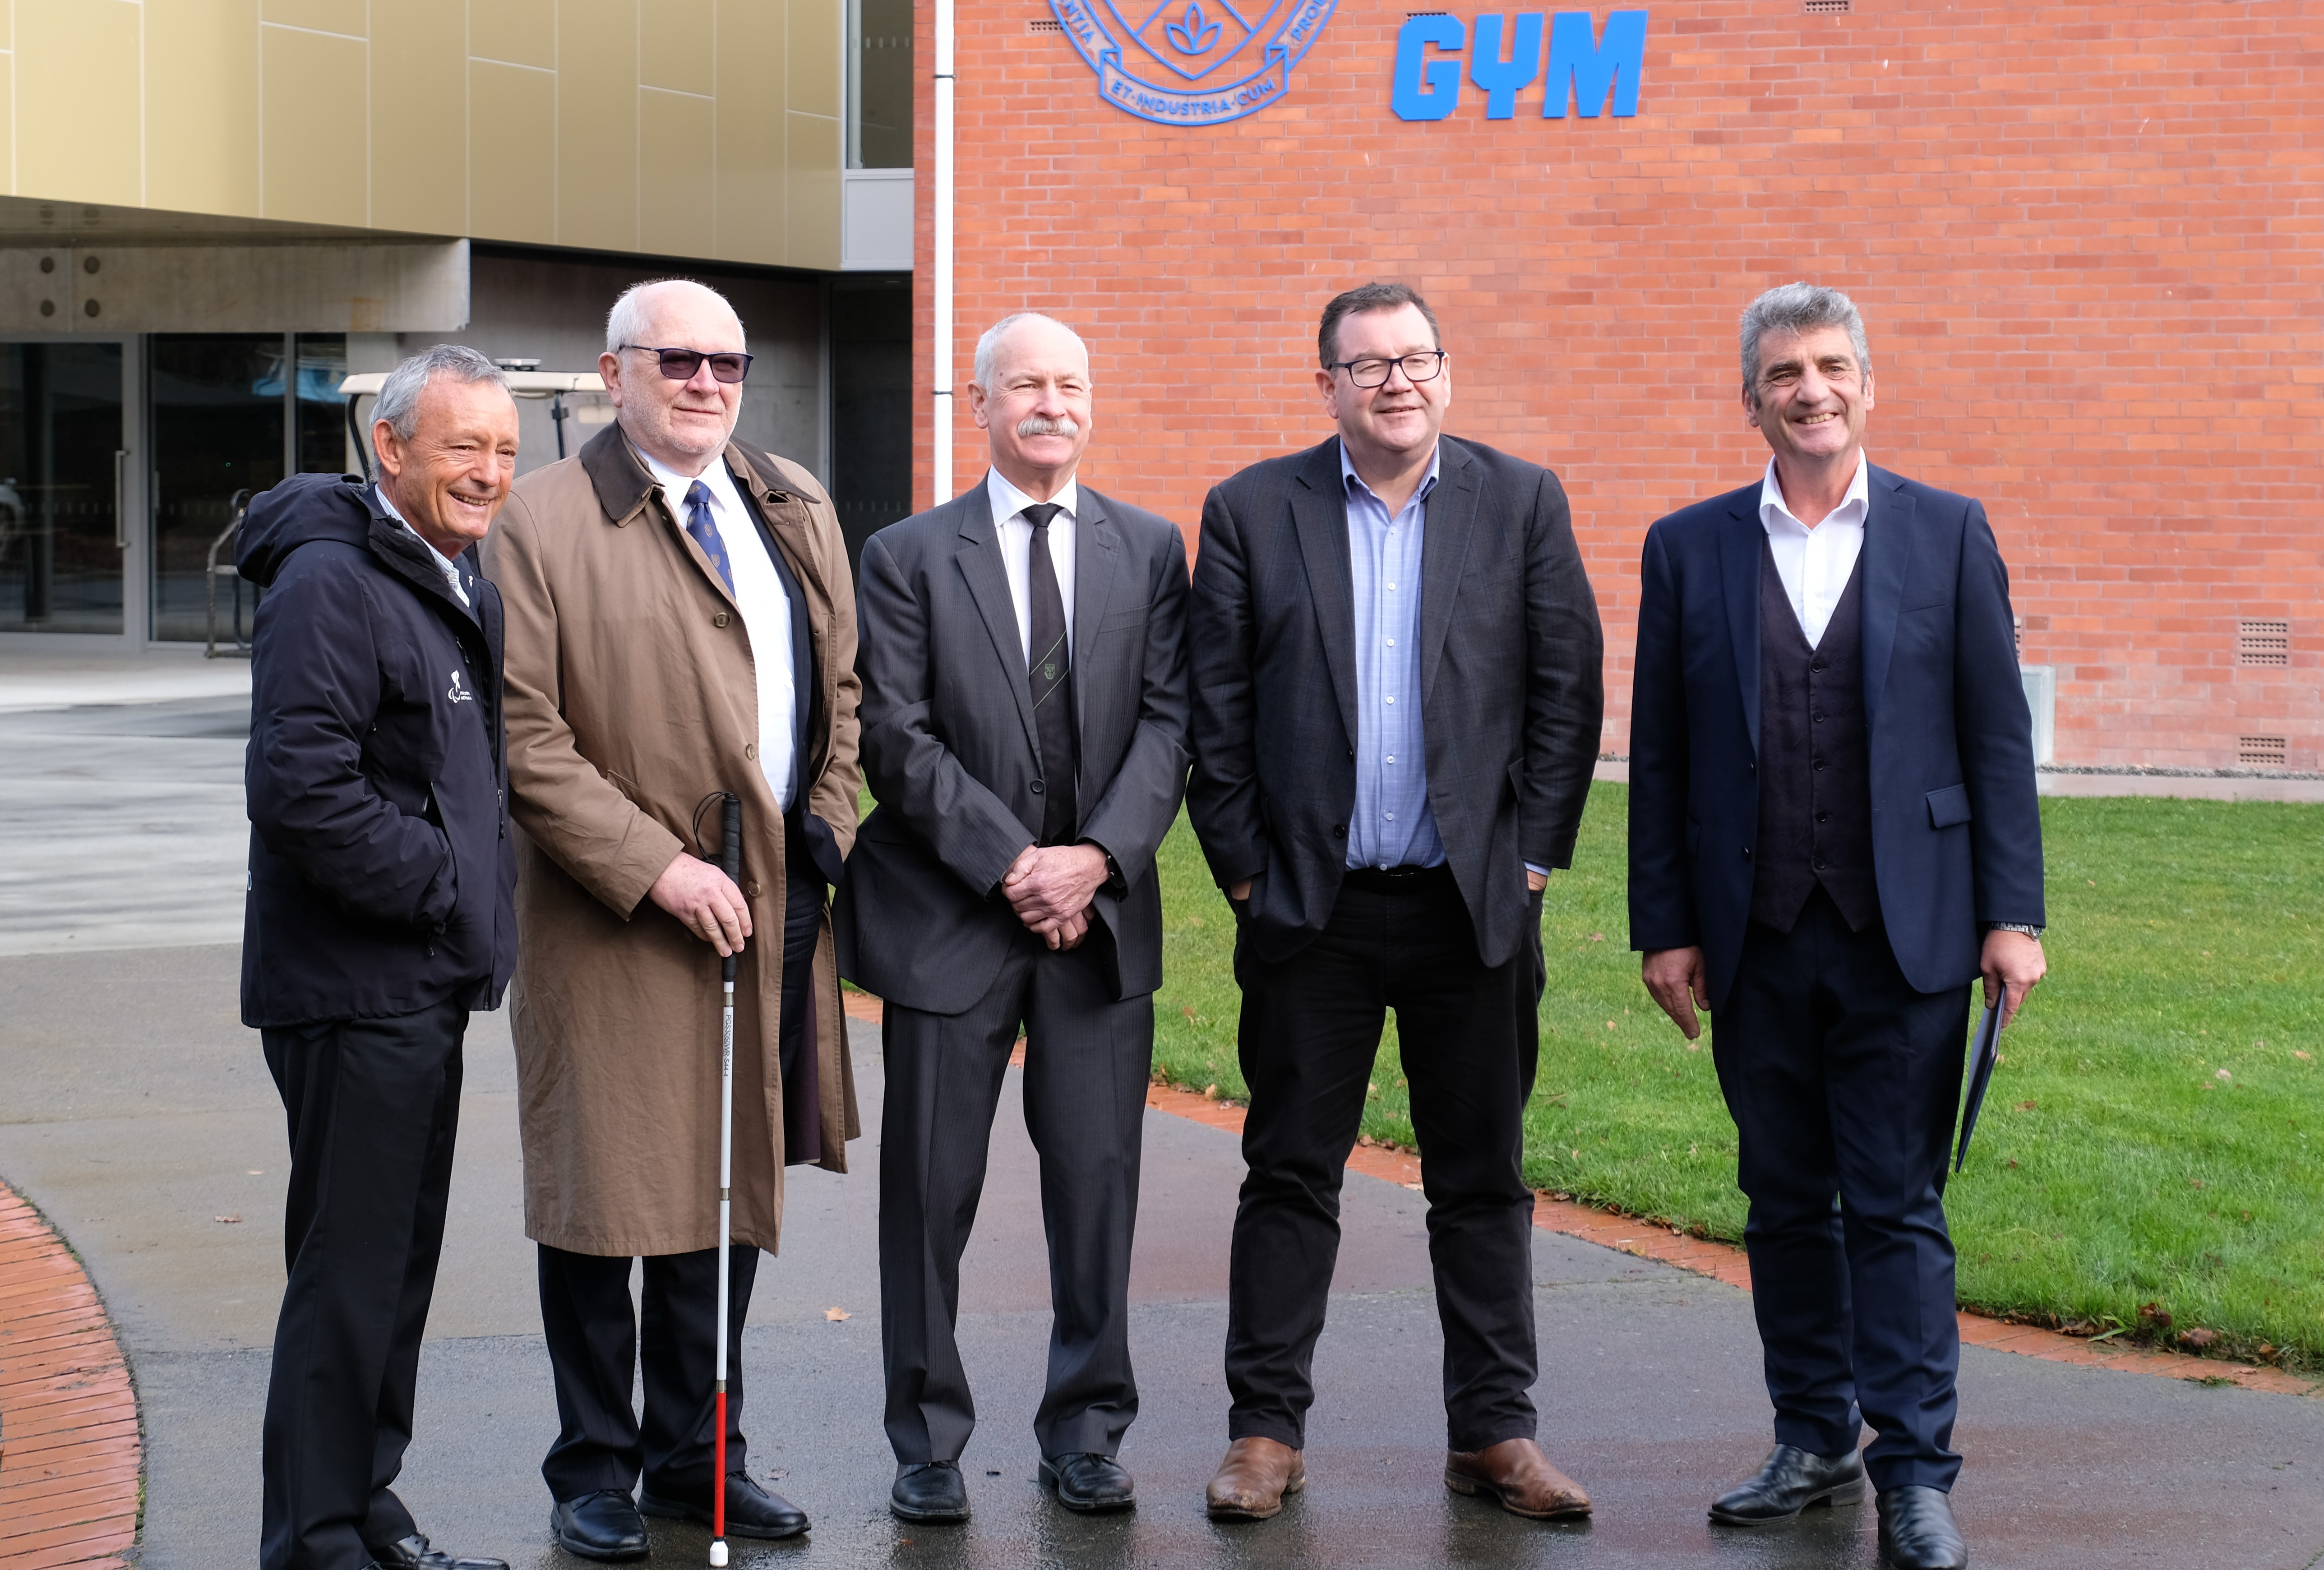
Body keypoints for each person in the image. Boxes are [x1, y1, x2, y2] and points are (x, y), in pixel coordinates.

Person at [1628, 282, 2047, 1570]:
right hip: (1756, 937)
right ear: (1748, 399)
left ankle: (1914, 1469)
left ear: (1870, 382)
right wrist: (1666, 927)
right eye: (1782, 373)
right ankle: (1810, 1441)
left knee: (1899, 1206)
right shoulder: (1688, 547)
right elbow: (1662, 750)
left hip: (1906, 935)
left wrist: (2012, 916)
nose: (1810, 390)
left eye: (1829, 367)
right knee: (1782, 1202)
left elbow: (1995, 739)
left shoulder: (1949, 533)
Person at [1185, 282, 1603, 1524]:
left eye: (1416, 359)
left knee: (1482, 1178)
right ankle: (1265, 1434)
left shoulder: (1519, 502)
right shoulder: (1255, 510)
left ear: (1447, 373)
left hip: (1470, 909)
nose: (1395, 382)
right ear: (1328, 386)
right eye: (1366, 365)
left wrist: (1527, 867)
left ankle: (1496, 1435)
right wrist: (1249, 873)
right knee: (1289, 1172)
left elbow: (1563, 696)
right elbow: (1217, 711)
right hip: (1310, 911)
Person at [480, 279, 864, 1561]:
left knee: (725, 1186)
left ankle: (699, 1462)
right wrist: (655, 867)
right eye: (680, 361)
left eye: (729, 363)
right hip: (613, 917)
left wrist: (830, 817)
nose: (708, 383)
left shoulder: (792, 501)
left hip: (773, 900)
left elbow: (846, 689)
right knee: (605, 1195)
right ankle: (590, 1463)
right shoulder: (537, 522)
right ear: (615, 372)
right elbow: (523, 740)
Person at [842, 312, 1192, 1524]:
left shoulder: (1149, 550)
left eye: (1071, 384)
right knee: (929, 1194)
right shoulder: (905, 555)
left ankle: (1088, 1429)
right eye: (1026, 385)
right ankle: (928, 1441)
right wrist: (1013, 865)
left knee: (1097, 1189)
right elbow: (895, 733)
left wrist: (1093, 860)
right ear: (979, 406)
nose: (1052, 403)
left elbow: (1170, 724)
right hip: (952, 923)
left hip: (1096, 928)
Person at [240, 344, 521, 1570]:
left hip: (419, 984)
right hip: (356, 992)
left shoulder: (448, 573)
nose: (490, 473)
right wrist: (449, 888)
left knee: (394, 1273)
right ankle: (316, 1538)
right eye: (465, 446)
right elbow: (300, 789)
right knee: (348, 1281)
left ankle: (365, 1505)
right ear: (391, 448)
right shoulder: (330, 583)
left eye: (505, 451)